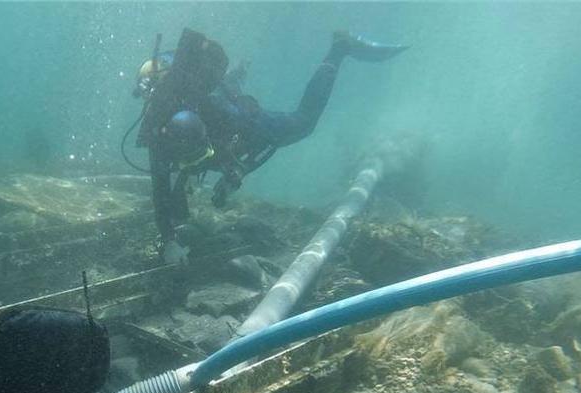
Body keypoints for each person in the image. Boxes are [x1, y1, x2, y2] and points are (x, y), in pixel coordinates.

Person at [133, 28, 407, 263]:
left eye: (198, 156)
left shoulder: (228, 119)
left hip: (243, 121)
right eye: (186, 162)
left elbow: (257, 146)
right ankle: (236, 74)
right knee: (182, 183)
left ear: (207, 137)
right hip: (215, 124)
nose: (192, 166)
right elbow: (160, 192)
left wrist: (235, 172)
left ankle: (339, 49)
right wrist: (169, 240)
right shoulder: (159, 138)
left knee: (303, 123)